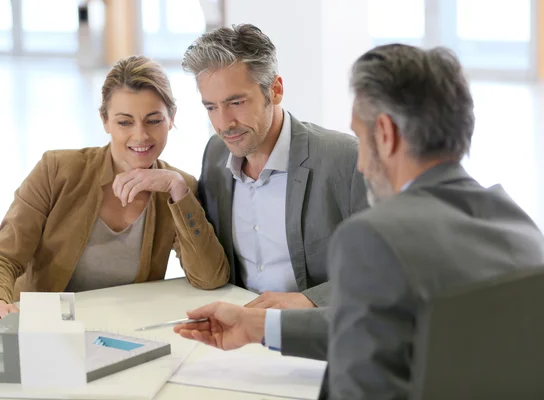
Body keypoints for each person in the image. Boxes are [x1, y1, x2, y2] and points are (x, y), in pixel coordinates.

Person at [175, 44, 544, 399]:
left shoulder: (374, 238)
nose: (362, 163)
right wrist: (258, 326)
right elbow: (376, 326)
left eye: (361, 137)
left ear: (385, 134)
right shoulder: (517, 223)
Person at [0, 56, 230, 328]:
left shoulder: (178, 186)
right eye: (124, 122)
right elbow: (3, 256)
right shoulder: (57, 170)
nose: (140, 136)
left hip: (129, 329)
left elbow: (210, 277)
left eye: (153, 121)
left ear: (171, 119)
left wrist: (178, 191)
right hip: (47, 330)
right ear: (105, 120)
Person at [181, 24, 368, 309]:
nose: (223, 123)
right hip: (240, 333)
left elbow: (389, 265)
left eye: (236, 102)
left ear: (276, 90)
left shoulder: (345, 159)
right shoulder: (215, 155)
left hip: (316, 337)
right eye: (211, 107)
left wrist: (310, 301)